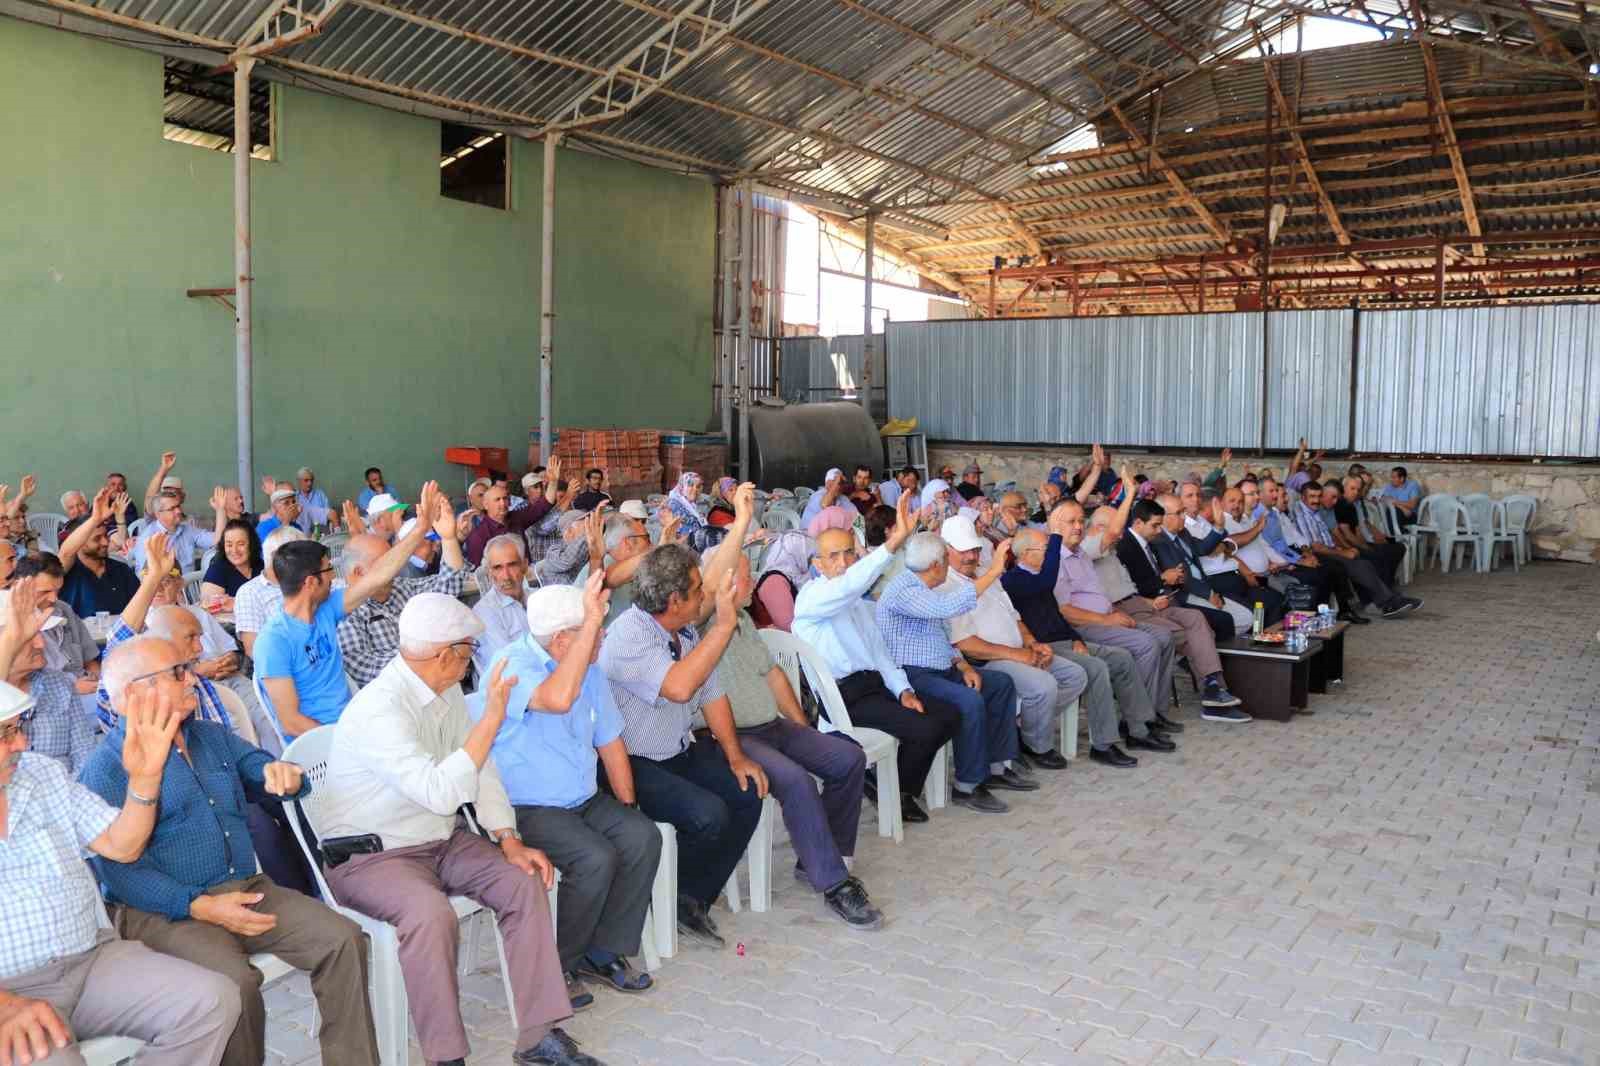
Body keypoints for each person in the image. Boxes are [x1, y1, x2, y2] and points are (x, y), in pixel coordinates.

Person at [320, 594, 599, 1066]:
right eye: (469, 650)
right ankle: (446, 1057)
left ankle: (538, 1036)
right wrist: (490, 719)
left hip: (438, 839)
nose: (473, 661)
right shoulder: (380, 709)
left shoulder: (444, 690)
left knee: (523, 879)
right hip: (370, 856)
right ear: (447, 654)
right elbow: (440, 791)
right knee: (430, 914)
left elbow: (479, 765)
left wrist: (508, 837)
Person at [82, 634, 380, 1066]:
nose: (193, 679)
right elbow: (120, 877)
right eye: (178, 672)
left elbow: (256, 766)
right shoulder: (105, 769)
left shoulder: (207, 736)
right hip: (163, 911)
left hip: (245, 887)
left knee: (342, 939)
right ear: (135, 692)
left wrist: (283, 775)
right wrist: (198, 906)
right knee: (236, 984)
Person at [0, 668, 242, 1066]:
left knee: (212, 1001)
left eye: (18, 727)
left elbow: (123, 846)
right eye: (5, 733)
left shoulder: (40, 773)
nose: (21, 742)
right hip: (11, 991)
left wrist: (144, 780)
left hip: (90, 958)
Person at [482, 579, 662, 1000]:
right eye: (595, 630)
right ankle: (557, 968)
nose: (602, 638)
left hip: (581, 798)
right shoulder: (510, 666)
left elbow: (611, 741)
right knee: (595, 858)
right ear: (563, 640)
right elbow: (557, 698)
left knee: (641, 837)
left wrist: (628, 804)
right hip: (528, 808)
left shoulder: (591, 670)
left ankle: (603, 952)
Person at [700, 531, 883, 928]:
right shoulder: (701, 624)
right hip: (730, 737)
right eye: (746, 576)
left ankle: (819, 856)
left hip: (772, 727)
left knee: (847, 757)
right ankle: (835, 884)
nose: (754, 583)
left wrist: (803, 729)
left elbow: (774, 675)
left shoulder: (744, 619)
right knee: (796, 780)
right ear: (724, 580)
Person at [598, 544, 763, 947]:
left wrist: (736, 756)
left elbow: (711, 693)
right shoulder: (627, 637)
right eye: (697, 589)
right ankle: (663, 895)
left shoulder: (680, 628)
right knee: (708, 816)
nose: (704, 595)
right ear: (675, 600)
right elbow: (680, 686)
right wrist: (722, 627)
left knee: (748, 791)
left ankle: (688, 896)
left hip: (677, 750)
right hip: (633, 763)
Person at [792, 492, 960, 824]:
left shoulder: (856, 603)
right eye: (834, 556)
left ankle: (891, 786)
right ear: (818, 564)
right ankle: (895, 791)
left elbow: (880, 654)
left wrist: (903, 691)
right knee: (923, 728)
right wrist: (893, 543)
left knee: (949, 714)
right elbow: (849, 586)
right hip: (842, 699)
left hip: (872, 688)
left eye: (850, 554)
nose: (843, 563)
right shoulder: (813, 599)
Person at [254, 483, 446, 739]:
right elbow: (291, 723)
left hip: (356, 723)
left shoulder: (325, 610)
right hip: (322, 746)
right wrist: (347, 740)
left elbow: (378, 576)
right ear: (310, 582)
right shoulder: (274, 640)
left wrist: (421, 527)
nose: (334, 576)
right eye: (327, 570)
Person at [876, 531, 1027, 814]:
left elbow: (944, 635)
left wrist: (964, 664)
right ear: (936, 564)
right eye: (947, 558)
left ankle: (996, 767)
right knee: (969, 701)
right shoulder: (904, 590)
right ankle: (967, 786)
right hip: (913, 675)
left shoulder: (925, 590)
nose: (949, 564)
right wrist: (994, 570)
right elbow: (950, 606)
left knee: (999, 683)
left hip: (943, 669)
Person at [941, 515, 1082, 769]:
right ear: (946, 550)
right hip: (986, 661)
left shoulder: (986, 573)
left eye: (974, 549)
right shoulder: (945, 585)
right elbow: (965, 643)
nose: (971, 556)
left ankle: (1022, 728)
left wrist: (1031, 642)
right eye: (964, 551)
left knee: (1075, 675)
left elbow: (1013, 615)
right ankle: (1037, 746)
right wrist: (1016, 655)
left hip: (1018, 650)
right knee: (1043, 685)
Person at [1001, 529, 1149, 768]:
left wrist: (1076, 638)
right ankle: (1103, 744)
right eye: (1045, 550)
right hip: (1045, 647)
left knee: (1122, 658)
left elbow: (1057, 616)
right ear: (1026, 554)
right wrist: (1058, 535)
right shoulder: (1013, 580)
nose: (1050, 555)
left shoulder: (1038, 578)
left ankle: (1139, 728)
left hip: (1066, 640)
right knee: (1097, 668)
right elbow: (1045, 582)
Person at [1046, 500, 1180, 754]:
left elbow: (1097, 595)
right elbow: (1065, 611)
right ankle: (1138, 725)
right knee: (1145, 644)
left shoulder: (1081, 554)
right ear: (1056, 526)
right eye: (1071, 522)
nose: (1078, 527)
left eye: (1080, 521)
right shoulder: (1055, 559)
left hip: (1107, 616)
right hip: (1083, 627)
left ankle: (1151, 714)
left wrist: (1114, 612)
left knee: (1164, 636)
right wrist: (1108, 619)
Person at [1103, 500, 1246, 721]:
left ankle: (1213, 686)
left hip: (1163, 601)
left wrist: (1168, 578)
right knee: (1193, 633)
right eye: (1155, 525)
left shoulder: (1147, 541)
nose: (1159, 530)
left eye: (1160, 525)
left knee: (1197, 619)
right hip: (1142, 607)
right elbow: (1129, 588)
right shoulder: (1125, 546)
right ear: (1139, 522)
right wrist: (1163, 578)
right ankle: (1212, 690)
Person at [336, 496, 470, 687]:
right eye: (386, 561)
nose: (394, 567)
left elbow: (447, 587)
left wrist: (448, 538)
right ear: (358, 572)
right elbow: (364, 669)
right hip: (393, 698)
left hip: (435, 682)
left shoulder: (401, 587)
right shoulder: (345, 613)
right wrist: (428, 653)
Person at [0, 580, 92, 774]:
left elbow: (84, 753)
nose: (41, 644)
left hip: (67, 795)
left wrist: (69, 797)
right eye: (29, 637)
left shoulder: (58, 683)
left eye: (41, 633)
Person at [55, 487, 139, 618]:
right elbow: (65, 553)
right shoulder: (66, 572)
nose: (106, 543)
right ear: (79, 543)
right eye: (97, 539)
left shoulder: (121, 570)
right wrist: (95, 519)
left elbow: (139, 607)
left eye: (105, 536)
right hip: (79, 638)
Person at [463, 461, 560, 566]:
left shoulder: (516, 517)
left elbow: (544, 505)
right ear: (486, 505)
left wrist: (553, 482)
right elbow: (477, 572)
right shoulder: (478, 535)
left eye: (505, 498)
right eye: (497, 499)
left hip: (526, 576)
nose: (503, 503)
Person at [233, 525, 306, 659]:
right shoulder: (250, 593)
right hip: (281, 670)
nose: (306, 562)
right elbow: (254, 651)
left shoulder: (307, 582)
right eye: (300, 556)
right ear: (276, 558)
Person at [1336, 476, 1414, 597]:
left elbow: (1358, 531)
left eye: (1358, 489)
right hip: (1347, 546)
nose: (1356, 492)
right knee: (1376, 556)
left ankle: (1387, 588)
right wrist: (1365, 547)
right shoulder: (1340, 505)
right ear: (1342, 489)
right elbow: (1347, 534)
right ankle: (1382, 594)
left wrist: (1366, 544)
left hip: (1359, 542)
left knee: (1397, 548)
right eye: (1352, 489)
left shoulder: (1351, 506)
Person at [474, 532, 534, 675]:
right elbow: (508, 666)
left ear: (525, 566)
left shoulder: (538, 597)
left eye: (512, 565)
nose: (506, 576)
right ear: (489, 572)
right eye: (498, 568)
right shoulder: (485, 612)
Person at [132, 486, 223, 572]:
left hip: (189, 586)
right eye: (172, 509)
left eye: (178, 506)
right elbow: (145, 576)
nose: (178, 511)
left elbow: (217, 540)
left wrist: (220, 510)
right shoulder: (148, 538)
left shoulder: (187, 529)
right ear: (158, 514)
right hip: (164, 587)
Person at [200, 518, 262, 608]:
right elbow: (208, 607)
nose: (234, 550)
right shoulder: (217, 570)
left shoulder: (260, 566)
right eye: (229, 545)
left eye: (241, 544)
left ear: (252, 544)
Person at [664, 471, 723, 553]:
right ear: (682, 487)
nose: (695, 489)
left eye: (698, 486)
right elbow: (676, 536)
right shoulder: (673, 506)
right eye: (690, 485)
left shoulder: (695, 505)